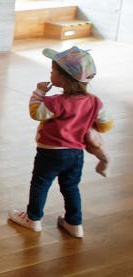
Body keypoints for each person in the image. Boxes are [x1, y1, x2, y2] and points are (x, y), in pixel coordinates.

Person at [8, 46, 114, 238]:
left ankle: (33, 219)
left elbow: (36, 113)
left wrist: (39, 92)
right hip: (76, 153)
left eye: (52, 71)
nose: (50, 73)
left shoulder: (55, 102)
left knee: (40, 183)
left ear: (64, 78)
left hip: (50, 152)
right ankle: (74, 223)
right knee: (71, 186)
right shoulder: (95, 102)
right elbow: (105, 124)